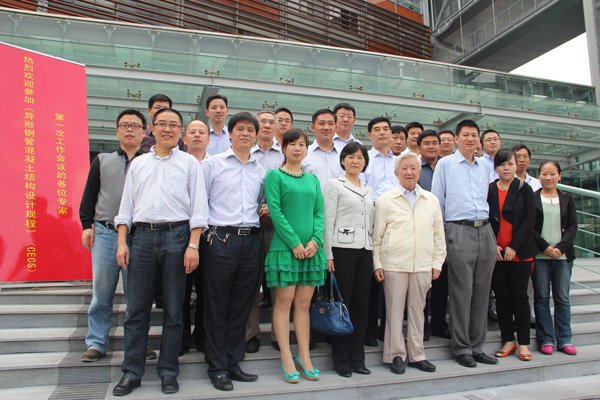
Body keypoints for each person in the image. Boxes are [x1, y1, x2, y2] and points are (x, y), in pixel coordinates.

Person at [113, 108, 208, 396]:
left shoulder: (190, 164)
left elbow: (199, 209)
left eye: (173, 125)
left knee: (175, 309)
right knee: (136, 310)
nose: (168, 129)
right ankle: (131, 372)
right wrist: (122, 242)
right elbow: (126, 207)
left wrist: (193, 245)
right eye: (162, 124)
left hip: (177, 238)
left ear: (180, 131)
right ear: (151, 129)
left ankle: (168, 371)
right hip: (141, 238)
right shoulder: (139, 164)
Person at [200, 112, 266, 391]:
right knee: (217, 304)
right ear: (230, 133)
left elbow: (261, 204)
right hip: (220, 239)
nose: (245, 133)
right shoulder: (212, 165)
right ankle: (217, 367)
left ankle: (233, 361)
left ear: (256, 136)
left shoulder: (261, 170)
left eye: (251, 129)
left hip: (251, 241)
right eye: (240, 129)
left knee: (242, 304)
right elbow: (199, 204)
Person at [79, 109, 146, 363]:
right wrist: (86, 224)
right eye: (124, 125)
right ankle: (96, 342)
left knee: (136, 295)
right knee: (102, 292)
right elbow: (90, 194)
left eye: (135, 126)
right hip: (105, 233)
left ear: (144, 132)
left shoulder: (149, 162)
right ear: (117, 131)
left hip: (138, 236)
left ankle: (138, 344)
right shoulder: (102, 160)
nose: (130, 129)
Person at [431, 119, 498, 368]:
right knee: (461, 291)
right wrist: (442, 236)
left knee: (482, 291)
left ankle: (477, 346)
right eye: (466, 135)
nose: (470, 139)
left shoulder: (485, 166)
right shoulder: (445, 164)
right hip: (458, 229)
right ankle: (461, 348)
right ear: (456, 138)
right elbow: (437, 201)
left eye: (474, 135)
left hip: (485, 230)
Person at [373, 153, 446, 375]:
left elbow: (438, 235)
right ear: (396, 173)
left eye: (413, 167)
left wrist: (437, 263)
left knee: (418, 311)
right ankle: (395, 354)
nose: (409, 172)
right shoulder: (386, 200)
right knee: (394, 312)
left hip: (423, 264)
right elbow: (377, 237)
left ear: (419, 171)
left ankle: (417, 354)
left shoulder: (431, 200)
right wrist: (377, 263)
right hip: (394, 264)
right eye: (404, 168)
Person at [264, 128, 327, 384]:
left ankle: (304, 356)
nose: (297, 148)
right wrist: (294, 244)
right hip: (285, 249)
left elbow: (319, 212)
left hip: (311, 251)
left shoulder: (312, 180)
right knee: (284, 303)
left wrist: (315, 241)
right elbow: (275, 212)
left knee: (303, 305)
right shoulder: (275, 176)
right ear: (284, 148)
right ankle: (286, 357)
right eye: (292, 144)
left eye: (302, 144)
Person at [323, 141, 373, 378]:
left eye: (360, 157)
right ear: (343, 160)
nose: (355, 161)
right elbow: (328, 221)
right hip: (341, 251)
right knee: (343, 307)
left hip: (365, 252)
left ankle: (357, 358)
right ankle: (341, 358)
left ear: (365, 162)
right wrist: (328, 254)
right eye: (351, 157)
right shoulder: (334, 185)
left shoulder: (368, 189)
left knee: (361, 307)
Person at [487, 149, 536, 362]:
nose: (506, 168)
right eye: (502, 164)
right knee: (502, 298)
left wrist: (514, 246)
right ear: (496, 167)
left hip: (520, 252)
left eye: (510, 164)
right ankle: (508, 340)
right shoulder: (490, 189)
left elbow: (529, 220)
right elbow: (486, 218)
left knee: (520, 297)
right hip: (497, 253)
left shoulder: (525, 189)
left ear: (517, 166)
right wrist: (494, 245)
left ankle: (523, 342)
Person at [245, 110, 283, 354]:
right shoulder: (247, 153)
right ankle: (251, 333)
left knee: (279, 282)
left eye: (271, 122)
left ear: (277, 127)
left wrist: (273, 209)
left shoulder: (285, 153)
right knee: (251, 282)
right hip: (251, 223)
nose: (267, 125)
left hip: (279, 226)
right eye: (263, 122)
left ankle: (279, 333)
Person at [532, 161, 578, 356]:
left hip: (563, 257)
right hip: (540, 256)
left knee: (562, 298)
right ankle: (546, 339)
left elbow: (573, 225)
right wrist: (545, 246)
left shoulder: (567, 198)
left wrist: (560, 248)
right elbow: (530, 227)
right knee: (541, 298)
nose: (548, 177)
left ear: (559, 176)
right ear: (539, 176)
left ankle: (565, 339)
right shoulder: (533, 198)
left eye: (552, 174)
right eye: (544, 174)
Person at [360, 116, 398, 347]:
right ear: (369, 135)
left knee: (394, 277)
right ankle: (370, 332)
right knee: (372, 279)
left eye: (386, 129)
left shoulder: (400, 161)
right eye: (377, 129)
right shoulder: (364, 160)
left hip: (397, 224)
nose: (382, 132)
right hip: (372, 221)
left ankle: (389, 331)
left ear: (392, 134)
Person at [179, 119, 211, 356]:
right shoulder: (177, 164)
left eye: (202, 132)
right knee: (180, 290)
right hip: (181, 236)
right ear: (184, 138)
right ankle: (181, 339)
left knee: (206, 291)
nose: (197, 135)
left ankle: (201, 336)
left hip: (210, 238)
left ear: (209, 139)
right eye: (193, 132)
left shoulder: (216, 165)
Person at [302, 109, 344, 194]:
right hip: (311, 202)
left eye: (330, 124)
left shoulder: (344, 155)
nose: (326, 127)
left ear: (336, 128)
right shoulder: (303, 154)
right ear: (313, 128)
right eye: (321, 123)